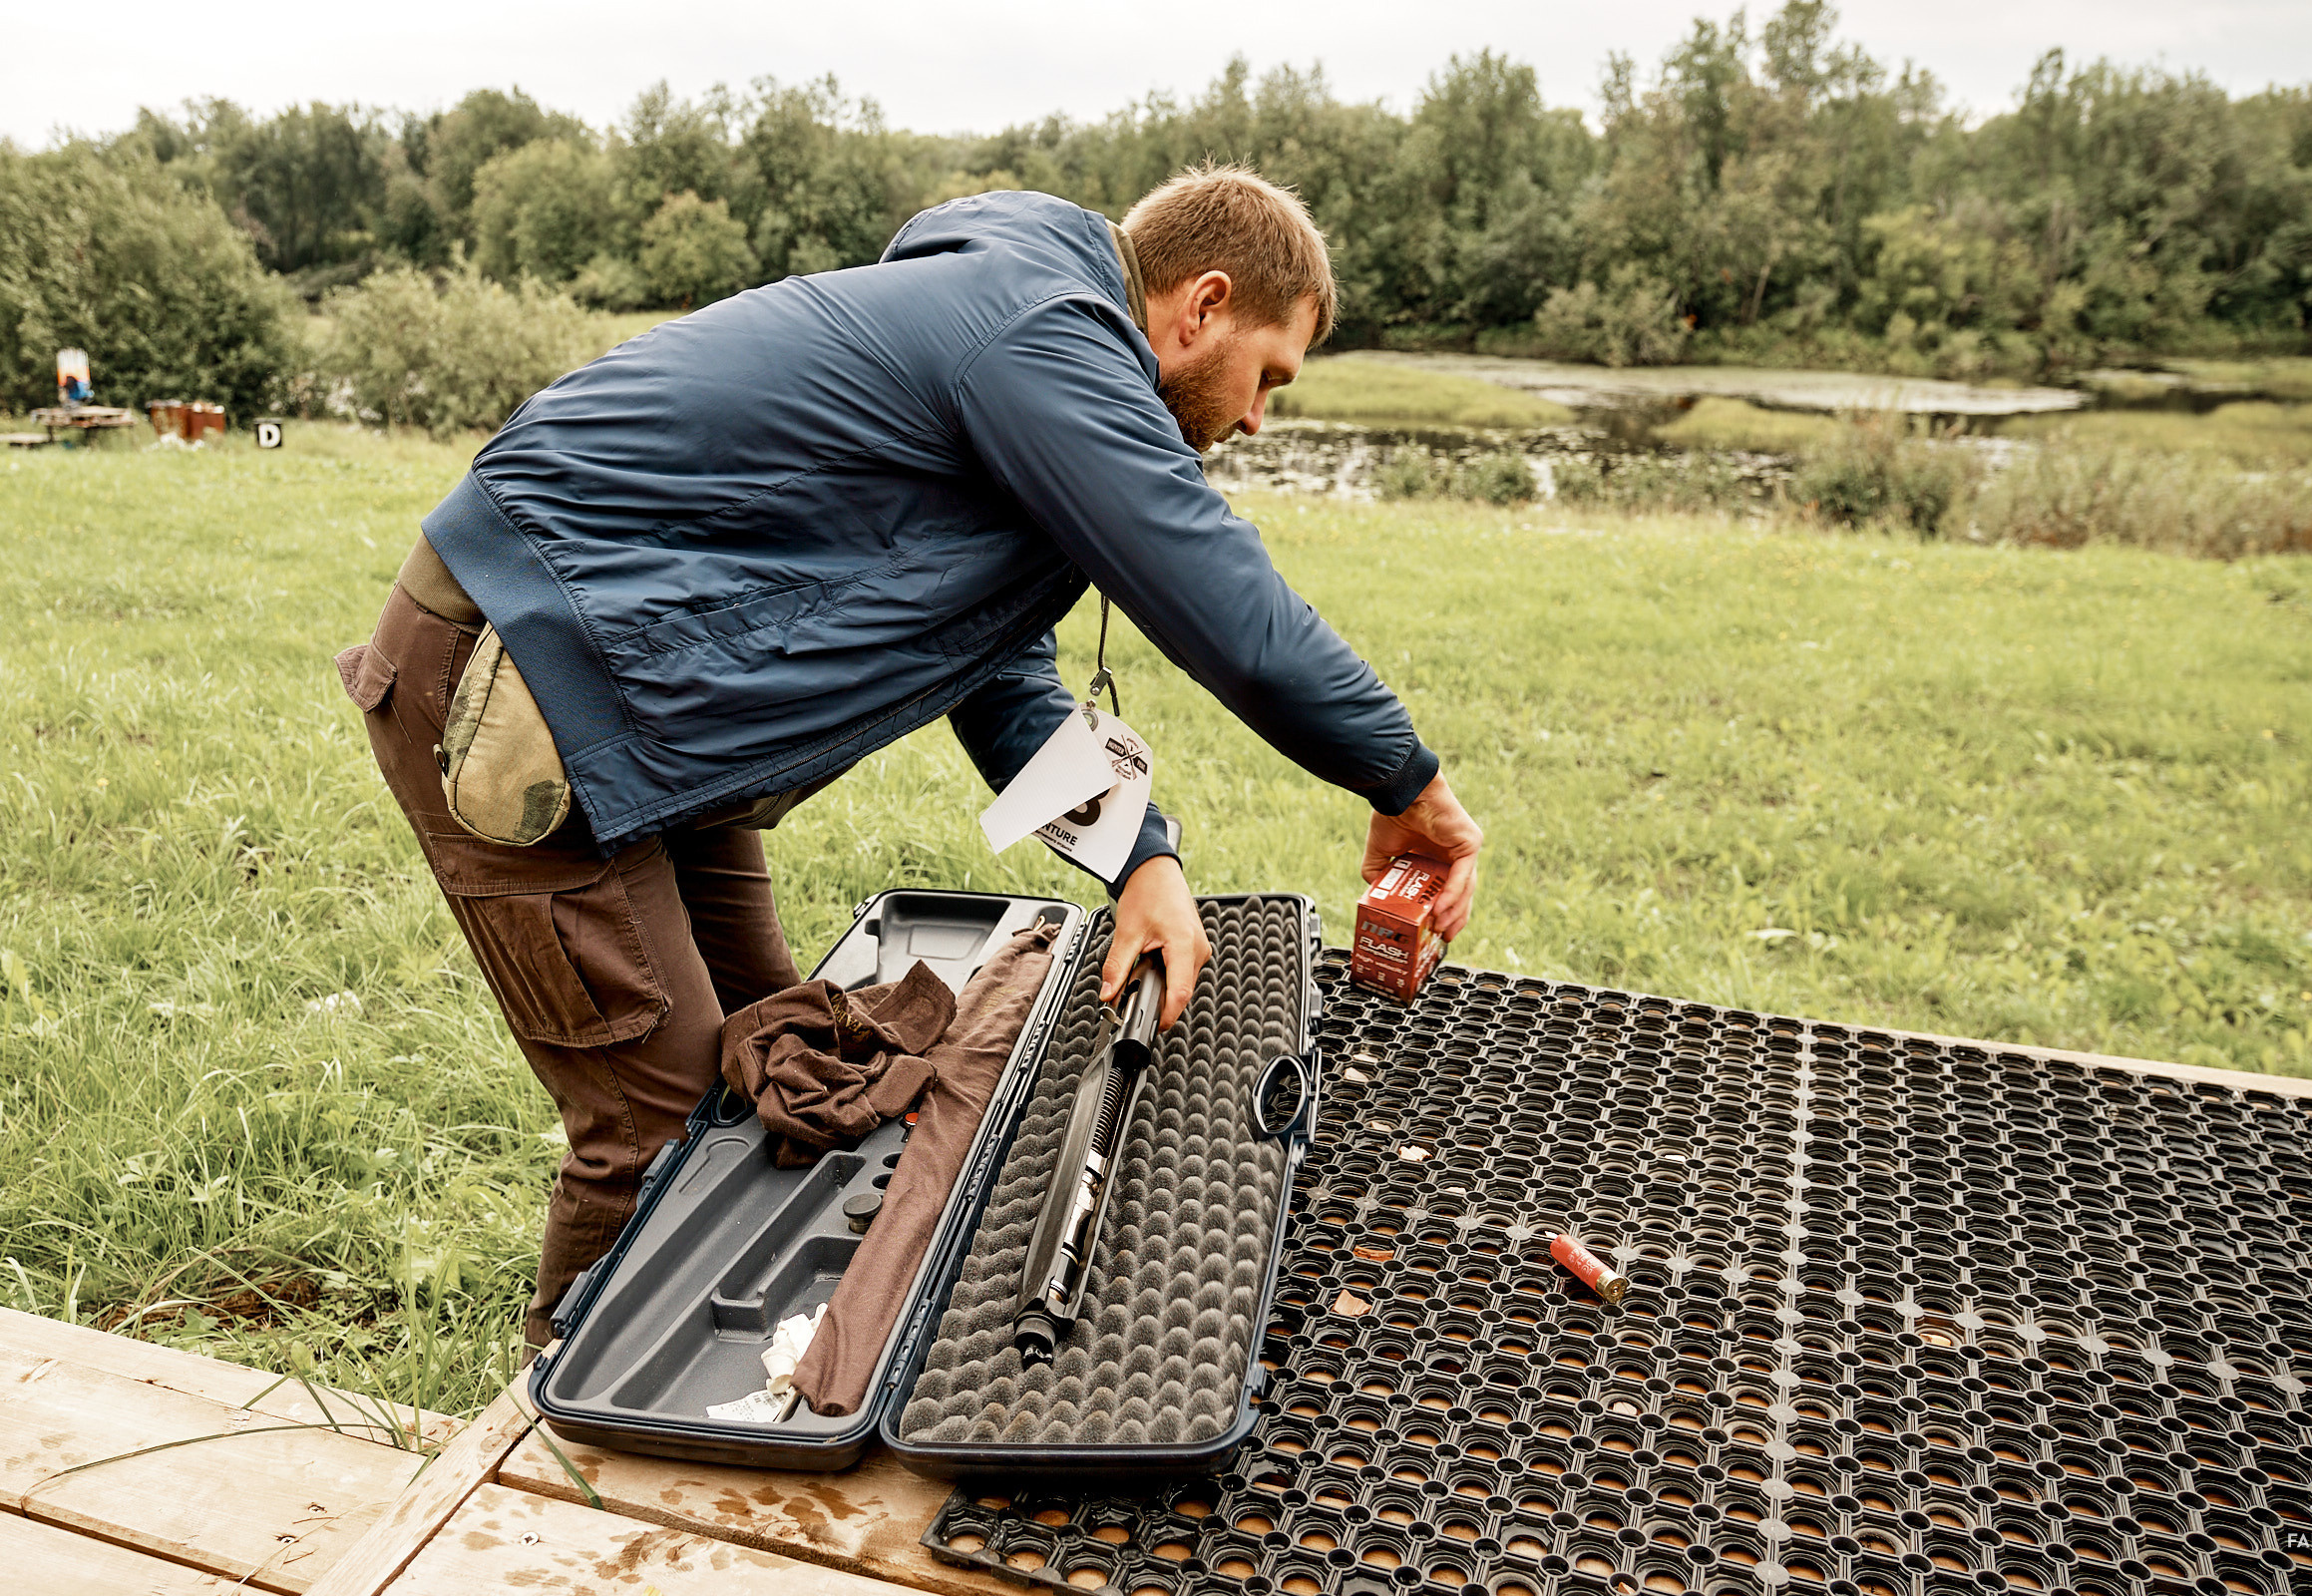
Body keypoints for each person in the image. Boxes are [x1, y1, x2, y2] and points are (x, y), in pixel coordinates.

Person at [335, 164, 1483, 1353]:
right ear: (1204, 304)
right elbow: (1221, 600)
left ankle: (711, 1368)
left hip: (656, 684)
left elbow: (1000, 680)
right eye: (1269, 376)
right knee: (657, 1130)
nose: (1255, 421)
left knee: (772, 1046)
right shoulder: (1040, 334)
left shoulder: (1018, 338)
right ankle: (561, 1427)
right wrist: (1409, 786)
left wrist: (1140, 860)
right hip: (523, 675)